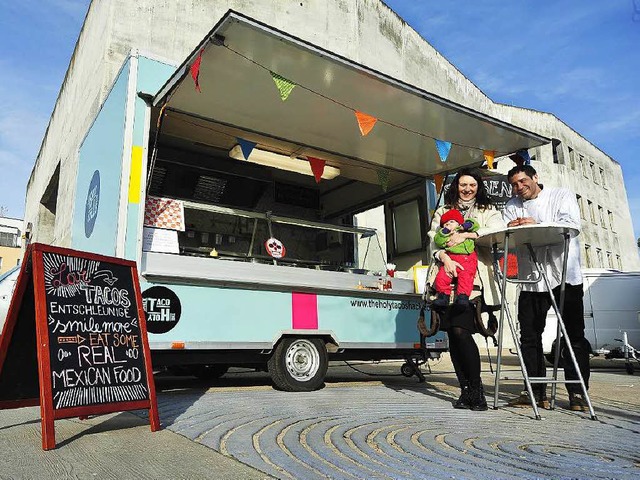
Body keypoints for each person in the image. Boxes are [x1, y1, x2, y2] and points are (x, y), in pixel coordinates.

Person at [502, 164, 590, 412]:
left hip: (564, 276)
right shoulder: (511, 206)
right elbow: (509, 232)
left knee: (574, 336)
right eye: (515, 184)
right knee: (529, 337)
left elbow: (570, 225)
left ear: (535, 178)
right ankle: (535, 390)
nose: (519, 188)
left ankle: (578, 392)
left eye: (522, 181)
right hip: (531, 279)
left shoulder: (561, 195)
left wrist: (535, 223)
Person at [428, 168, 505, 411]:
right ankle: (465, 392)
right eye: (463, 185)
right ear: (456, 186)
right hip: (445, 276)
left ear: (478, 187)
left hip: (473, 280)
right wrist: (444, 257)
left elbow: (498, 233)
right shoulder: (442, 210)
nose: (467, 189)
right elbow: (433, 239)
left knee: (462, 331)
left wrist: (467, 235)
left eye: (472, 185)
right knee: (452, 334)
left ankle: (476, 389)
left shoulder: (486, 210)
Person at [433, 209, 479, 308]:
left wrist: (466, 226)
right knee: (442, 276)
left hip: (467, 259)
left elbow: (475, 225)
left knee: (466, 277)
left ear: (459, 223)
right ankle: (443, 296)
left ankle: (463, 297)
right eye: (445, 224)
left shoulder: (465, 230)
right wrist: (444, 232)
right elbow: (438, 240)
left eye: (452, 222)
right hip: (451, 258)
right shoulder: (445, 234)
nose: (448, 224)